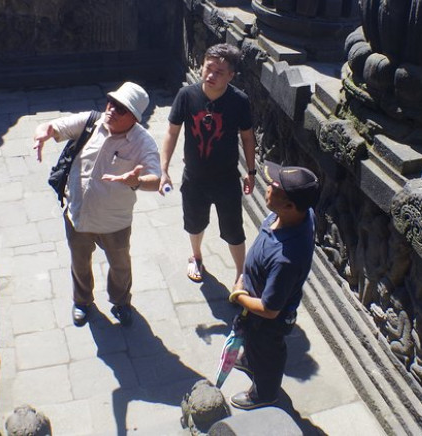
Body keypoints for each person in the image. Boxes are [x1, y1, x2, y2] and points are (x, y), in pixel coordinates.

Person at [33, 82, 160, 328]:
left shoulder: (143, 142)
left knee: (120, 267)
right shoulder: (91, 121)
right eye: (112, 103)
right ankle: (82, 301)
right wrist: (42, 133)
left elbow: (156, 180)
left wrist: (136, 181)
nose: (112, 110)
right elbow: (53, 127)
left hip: (115, 222)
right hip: (78, 214)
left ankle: (121, 302)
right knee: (79, 263)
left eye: (121, 109)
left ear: (134, 118)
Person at [160, 43, 256, 283]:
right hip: (195, 176)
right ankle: (196, 256)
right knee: (194, 222)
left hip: (227, 178)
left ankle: (241, 273)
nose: (211, 75)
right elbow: (172, 132)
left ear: (231, 75)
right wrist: (164, 169)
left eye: (219, 72)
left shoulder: (239, 100)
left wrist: (251, 171)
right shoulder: (187, 95)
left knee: (233, 229)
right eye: (208, 68)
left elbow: (247, 137)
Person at [228, 160, 319, 410]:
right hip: (256, 304)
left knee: (267, 353)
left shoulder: (286, 259)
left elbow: (269, 310)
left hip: (266, 321)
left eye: (274, 187)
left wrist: (238, 295)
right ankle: (251, 360)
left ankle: (264, 393)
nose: (268, 186)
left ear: (290, 206)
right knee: (254, 345)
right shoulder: (298, 215)